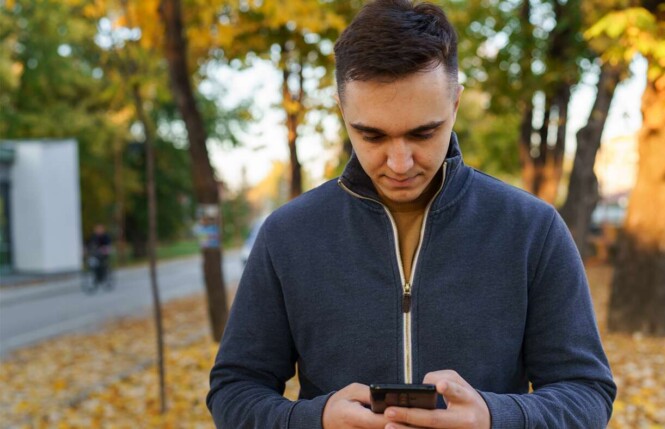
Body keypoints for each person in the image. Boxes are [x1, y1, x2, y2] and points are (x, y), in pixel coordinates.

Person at [207, 1, 616, 427]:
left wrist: (495, 419)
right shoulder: (287, 236)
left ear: (455, 104)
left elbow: (587, 392)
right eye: (372, 135)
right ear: (343, 111)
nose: (400, 163)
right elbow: (235, 389)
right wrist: (315, 420)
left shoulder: (533, 229)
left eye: (424, 132)